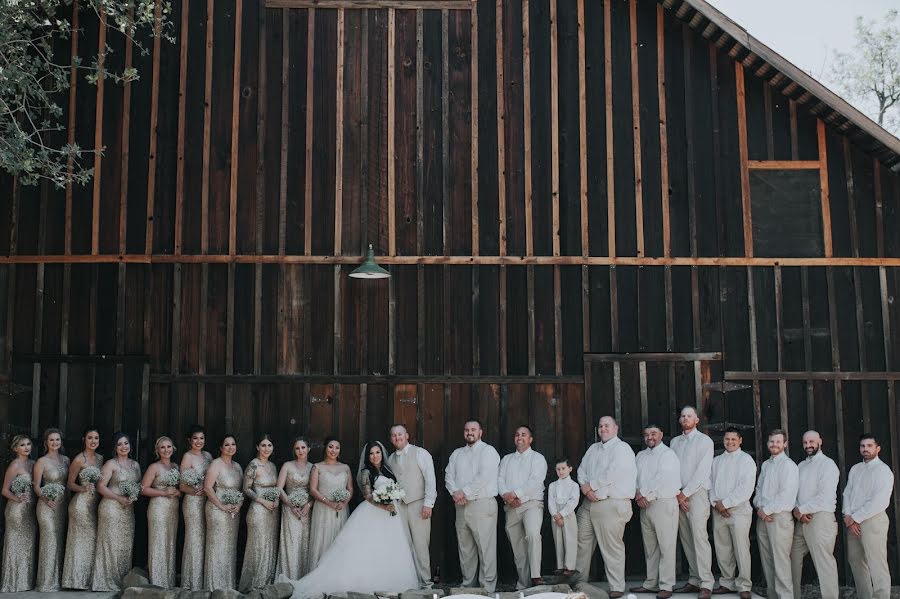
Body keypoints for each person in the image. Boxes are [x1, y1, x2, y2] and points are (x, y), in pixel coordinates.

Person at [280, 441, 419, 598]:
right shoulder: (366, 473)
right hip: (374, 512)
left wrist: (394, 498)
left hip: (391, 516)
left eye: (377, 452)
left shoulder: (388, 471)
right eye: (371, 453)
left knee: (388, 547)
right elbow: (367, 496)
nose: (375, 456)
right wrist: (383, 506)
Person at [573, 416, 636, 599]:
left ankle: (617, 587)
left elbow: (613, 474)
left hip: (611, 502)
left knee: (611, 547)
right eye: (600, 426)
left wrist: (590, 485)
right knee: (581, 543)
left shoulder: (622, 449)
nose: (603, 429)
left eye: (607, 425)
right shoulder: (593, 449)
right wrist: (585, 488)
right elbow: (581, 470)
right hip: (589, 502)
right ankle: (578, 584)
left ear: (615, 428)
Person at [445, 419, 501, 592]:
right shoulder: (457, 454)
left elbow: (484, 476)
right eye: (467, 429)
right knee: (465, 548)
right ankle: (468, 585)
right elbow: (448, 475)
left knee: (486, 547)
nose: (470, 432)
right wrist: (455, 493)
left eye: (473, 429)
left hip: (482, 503)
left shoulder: (488, 451)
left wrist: (464, 493)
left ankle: (487, 588)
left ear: (480, 432)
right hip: (460, 506)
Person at [630, 424, 681, 599]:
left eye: (653, 434)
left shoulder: (668, 455)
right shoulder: (641, 456)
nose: (649, 437)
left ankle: (666, 585)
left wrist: (644, 495)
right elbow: (634, 477)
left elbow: (662, 479)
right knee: (650, 547)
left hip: (663, 502)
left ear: (661, 435)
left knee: (666, 546)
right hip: (644, 505)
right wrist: (638, 493)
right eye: (646, 434)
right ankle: (651, 583)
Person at [669, 406, 715, 596]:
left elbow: (703, 471)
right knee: (686, 539)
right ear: (680, 420)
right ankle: (694, 579)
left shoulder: (705, 441)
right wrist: (677, 494)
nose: (686, 418)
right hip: (678, 495)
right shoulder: (674, 442)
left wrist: (685, 494)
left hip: (696, 494)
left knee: (699, 538)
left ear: (696, 420)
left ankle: (706, 582)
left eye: (689, 416)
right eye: (683, 416)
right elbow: (670, 470)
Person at [843, 433, 894, 599]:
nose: (865, 449)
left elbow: (879, 501)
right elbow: (847, 493)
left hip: (873, 521)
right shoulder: (855, 469)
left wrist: (855, 518)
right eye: (863, 446)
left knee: (876, 563)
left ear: (878, 448)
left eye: (869, 446)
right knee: (856, 561)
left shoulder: (883, 471)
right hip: (853, 522)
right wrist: (847, 515)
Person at [387, 424, 437, 588]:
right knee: (404, 544)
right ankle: (411, 581)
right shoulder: (390, 459)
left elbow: (430, 479)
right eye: (394, 435)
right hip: (400, 506)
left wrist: (428, 504)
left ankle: (426, 583)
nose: (397, 438)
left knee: (421, 544)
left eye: (400, 434)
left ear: (407, 435)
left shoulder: (420, 453)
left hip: (418, 504)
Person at [791, 430, 840, 599]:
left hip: (820, 518)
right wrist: (798, 513)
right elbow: (795, 494)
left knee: (824, 562)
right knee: (791, 557)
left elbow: (825, 496)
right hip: (801, 520)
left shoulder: (828, 465)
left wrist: (802, 510)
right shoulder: (800, 466)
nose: (808, 445)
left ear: (820, 441)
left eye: (811, 441)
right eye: (805, 442)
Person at [498, 425, 548, 589]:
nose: (520, 437)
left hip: (532, 504)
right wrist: (508, 497)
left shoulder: (538, 458)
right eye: (517, 434)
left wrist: (516, 495)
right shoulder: (506, 459)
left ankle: (535, 576)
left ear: (530, 439)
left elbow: (535, 482)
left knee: (533, 535)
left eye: (524, 435)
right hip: (511, 507)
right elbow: (500, 480)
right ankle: (524, 582)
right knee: (517, 547)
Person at [709, 427, 756, 599]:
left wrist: (726, 504)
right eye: (727, 439)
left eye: (733, 439)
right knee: (723, 548)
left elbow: (746, 488)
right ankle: (727, 582)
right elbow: (710, 483)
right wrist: (716, 503)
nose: (729, 442)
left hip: (738, 511)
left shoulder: (746, 460)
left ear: (740, 440)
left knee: (741, 548)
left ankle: (744, 585)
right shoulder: (717, 461)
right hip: (719, 511)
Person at [92, 432, 142, 591]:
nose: (123, 447)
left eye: (126, 443)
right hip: (111, 507)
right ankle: (105, 582)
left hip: (127, 509)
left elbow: (139, 486)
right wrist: (118, 498)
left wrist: (133, 495)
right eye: (119, 444)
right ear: (115, 447)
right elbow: (100, 486)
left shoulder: (135, 465)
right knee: (110, 544)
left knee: (124, 545)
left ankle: (121, 582)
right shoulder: (110, 464)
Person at [754, 429, 799, 599]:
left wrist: (765, 510)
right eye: (772, 442)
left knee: (781, 563)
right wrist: (759, 507)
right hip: (762, 517)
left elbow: (786, 496)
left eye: (778, 442)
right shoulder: (766, 465)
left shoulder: (789, 466)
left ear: (785, 444)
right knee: (768, 562)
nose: (774, 445)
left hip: (779, 518)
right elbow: (758, 490)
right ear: (767, 444)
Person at [62, 426, 103, 590]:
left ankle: (87, 579)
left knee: (92, 541)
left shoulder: (100, 458)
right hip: (80, 505)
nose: (93, 441)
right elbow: (70, 484)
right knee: (79, 541)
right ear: (84, 440)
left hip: (94, 505)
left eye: (96, 438)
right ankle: (75, 581)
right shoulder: (79, 459)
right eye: (90, 438)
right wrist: (83, 488)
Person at [239, 434, 281, 591]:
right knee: (257, 545)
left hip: (272, 510)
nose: (266, 449)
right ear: (257, 447)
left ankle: (266, 583)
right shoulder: (253, 465)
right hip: (258, 510)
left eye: (269, 445)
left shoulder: (273, 466)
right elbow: (246, 489)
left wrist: (276, 499)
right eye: (263, 445)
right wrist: (262, 501)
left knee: (269, 545)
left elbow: (276, 487)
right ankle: (253, 585)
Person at [203, 434, 244, 591]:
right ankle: (214, 588)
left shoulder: (238, 467)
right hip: (217, 510)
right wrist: (221, 506)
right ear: (221, 448)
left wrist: (239, 505)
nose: (230, 447)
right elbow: (207, 487)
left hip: (233, 511)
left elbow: (241, 490)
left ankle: (227, 587)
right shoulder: (216, 464)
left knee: (229, 547)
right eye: (227, 445)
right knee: (217, 546)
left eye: (233, 444)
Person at [307, 436, 354, 570]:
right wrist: (329, 503)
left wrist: (345, 502)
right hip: (323, 509)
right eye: (331, 447)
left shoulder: (345, 468)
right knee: (322, 541)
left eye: (337, 448)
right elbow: (313, 490)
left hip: (341, 509)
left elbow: (350, 489)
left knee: (339, 541)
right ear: (325, 448)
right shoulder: (317, 467)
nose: (334, 450)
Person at [140, 436, 181, 588]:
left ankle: (168, 582)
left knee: (170, 542)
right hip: (158, 508)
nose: (166, 450)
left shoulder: (176, 467)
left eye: (169, 447)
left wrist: (177, 492)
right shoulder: (154, 467)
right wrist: (163, 492)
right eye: (162, 447)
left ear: (173, 448)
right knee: (158, 542)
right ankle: (157, 582)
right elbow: (143, 489)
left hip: (173, 509)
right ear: (157, 450)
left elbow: (181, 489)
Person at [33, 427, 70, 591]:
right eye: (51, 440)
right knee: (49, 541)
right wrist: (46, 499)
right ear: (46, 443)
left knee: (60, 540)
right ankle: (46, 583)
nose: (55, 443)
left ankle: (58, 580)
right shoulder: (41, 461)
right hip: (46, 506)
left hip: (62, 506)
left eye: (57, 440)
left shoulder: (66, 460)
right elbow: (36, 485)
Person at [1, 434, 36, 593]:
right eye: (22, 445)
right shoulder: (14, 465)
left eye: (28, 444)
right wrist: (17, 497)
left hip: (30, 511)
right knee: (15, 545)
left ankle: (25, 583)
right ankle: (12, 583)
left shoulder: (33, 463)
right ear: (15, 448)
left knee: (27, 545)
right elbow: (4, 490)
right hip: (16, 511)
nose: (26, 447)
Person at [276, 436, 315, 579]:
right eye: (297, 448)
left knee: (305, 544)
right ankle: (288, 578)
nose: (300, 451)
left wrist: (309, 505)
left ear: (308, 449)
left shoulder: (313, 467)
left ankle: (304, 578)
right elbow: (279, 489)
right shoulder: (287, 465)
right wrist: (291, 505)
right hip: (289, 508)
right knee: (291, 544)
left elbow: (316, 490)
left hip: (306, 510)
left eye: (303, 447)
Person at [179, 424, 213, 590]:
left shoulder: (209, 456)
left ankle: (204, 580)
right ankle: (191, 582)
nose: (198, 441)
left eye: (201, 438)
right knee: (194, 539)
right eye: (195, 438)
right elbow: (182, 486)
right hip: (192, 502)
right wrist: (194, 490)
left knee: (205, 539)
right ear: (189, 440)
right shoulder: (187, 457)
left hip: (207, 503)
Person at [547, 457, 579, 578]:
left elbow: (573, 501)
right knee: (558, 540)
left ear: (570, 469)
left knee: (570, 539)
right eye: (558, 469)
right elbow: (550, 502)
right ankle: (560, 565)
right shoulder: (552, 485)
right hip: (555, 514)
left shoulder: (574, 485)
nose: (560, 471)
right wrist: (555, 515)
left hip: (568, 513)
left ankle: (569, 566)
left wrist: (562, 514)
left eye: (563, 468)